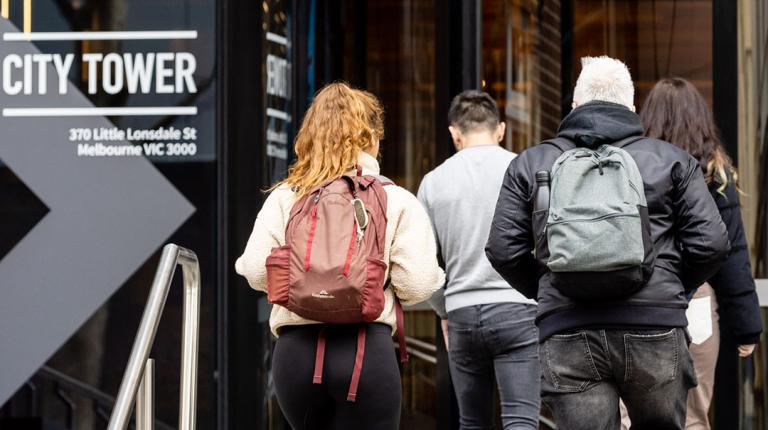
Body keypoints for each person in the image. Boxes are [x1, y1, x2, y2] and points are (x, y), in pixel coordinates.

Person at [485, 56, 730, 430]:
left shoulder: (531, 163)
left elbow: (503, 248)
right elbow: (711, 243)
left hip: (567, 329)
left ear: (574, 106)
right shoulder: (672, 161)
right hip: (654, 326)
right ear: (632, 108)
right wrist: (673, 289)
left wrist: (549, 286)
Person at [235, 82, 445, 430]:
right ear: (372, 139)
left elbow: (258, 272)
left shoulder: (286, 197)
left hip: (296, 355)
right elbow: (417, 284)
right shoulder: (395, 199)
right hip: (365, 353)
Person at [627, 77, 761, 429]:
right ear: (701, 121)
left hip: (636, 300)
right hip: (696, 303)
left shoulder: (628, 168)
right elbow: (730, 253)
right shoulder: (715, 174)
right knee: (693, 417)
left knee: (629, 415)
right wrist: (746, 328)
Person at [418, 90, 539, 429]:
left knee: (472, 423)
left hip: (462, 315)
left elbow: (423, 265)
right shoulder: (523, 170)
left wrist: (444, 307)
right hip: (519, 309)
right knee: (521, 420)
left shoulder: (432, 182)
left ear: (455, 133)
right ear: (500, 129)